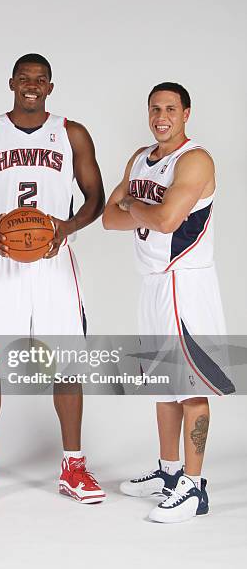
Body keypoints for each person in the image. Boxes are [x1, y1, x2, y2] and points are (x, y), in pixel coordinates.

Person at [0, 53, 105, 506]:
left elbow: (95, 197)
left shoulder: (72, 133)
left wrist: (68, 227)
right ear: (11, 83)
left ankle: (73, 467)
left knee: (66, 364)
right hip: (3, 261)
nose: (32, 85)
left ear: (51, 86)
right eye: (24, 79)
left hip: (56, 260)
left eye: (40, 79)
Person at [102, 82, 235, 523]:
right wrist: (142, 209)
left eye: (171, 109)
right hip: (153, 284)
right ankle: (169, 471)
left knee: (192, 386)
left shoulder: (195, 160)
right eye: (155, 108)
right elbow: (108, 218)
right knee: (162, 385)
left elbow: (165, 219)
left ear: (186, 114)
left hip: (186, 284)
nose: (162, 116)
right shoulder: (140, 158)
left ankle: (195, 489)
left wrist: (135, 204)